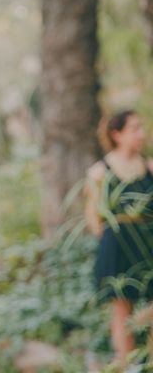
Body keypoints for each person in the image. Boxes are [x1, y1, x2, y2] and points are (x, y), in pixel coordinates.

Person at [85, 110, 153, 366]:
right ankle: (125, 364)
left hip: (148, 245)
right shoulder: (100, 172)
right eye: (134, 129)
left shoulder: (148, 167)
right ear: (117, 134)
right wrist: (113, 240)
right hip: (118, 247)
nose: (141, 134)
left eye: (141, 128)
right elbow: (93, 217)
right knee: (122, 309)